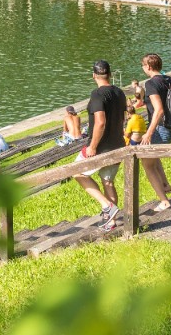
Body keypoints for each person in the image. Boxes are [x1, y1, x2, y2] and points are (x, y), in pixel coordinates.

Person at [73, 60, 128, 229]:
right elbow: (123, 118)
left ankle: (107, 206)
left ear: (93, 76)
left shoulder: (97, 95)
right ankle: (110, 222)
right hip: (118, 144)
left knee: (77, 173)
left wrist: (93, 147)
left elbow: (100, 122)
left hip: (100, 147)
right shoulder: (120, 93)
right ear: (110, 75)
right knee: (108, 182)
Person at [138, 53, 171, 213]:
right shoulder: (168, 79)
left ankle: (164, 201)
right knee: (153, 157)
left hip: (160, 129)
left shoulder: (150, 84)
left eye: (143, 65)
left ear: (148, 67)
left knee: (147, 163)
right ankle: (165, 184)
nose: (143, 68)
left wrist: (148, 133)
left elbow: (159, 110)